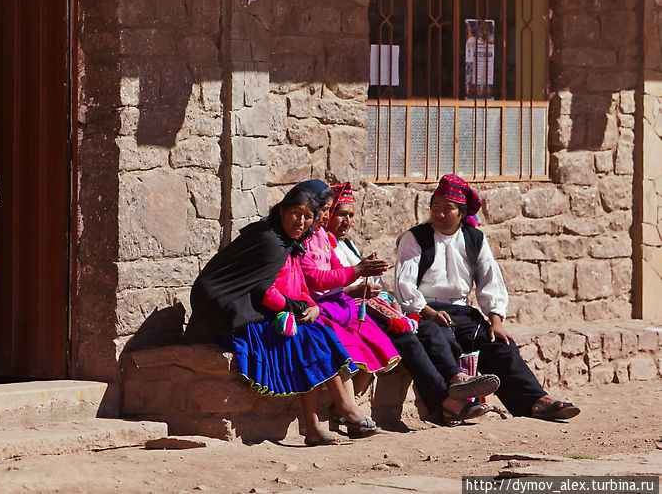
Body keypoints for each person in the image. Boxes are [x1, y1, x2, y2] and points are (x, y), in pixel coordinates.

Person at [189, 183, 376, 446]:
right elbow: (264, 292)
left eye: (308, 216)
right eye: (295, 214)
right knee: (307, 336)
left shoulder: (289, 242)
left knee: (315, 331)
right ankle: (339, 411)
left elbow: (300, 281)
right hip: (230, 311)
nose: (301, 221)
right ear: (281, 211)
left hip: (258, 306)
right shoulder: (270, 241)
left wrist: (312, 305)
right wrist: (299, 309)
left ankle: (319, 424)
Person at [303, 180, 498, 425]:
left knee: (433, 332)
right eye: (340, 215)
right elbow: (321, 282)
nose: (347, 221)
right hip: (349, 310)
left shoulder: (344, 244)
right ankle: (448, 401)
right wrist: (357, 287)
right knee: (408, 338)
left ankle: (457, 380)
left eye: (351, 215)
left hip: (374, 307)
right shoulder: (318, 244)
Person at [394, 174, 579, 421]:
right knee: (437, 337)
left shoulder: (475, 239)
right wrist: (428, 312)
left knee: (499, 344)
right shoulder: (415, 238)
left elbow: (490, 279)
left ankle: (536, 400)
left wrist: (496, 320)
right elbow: (404, 284)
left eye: (446, 209)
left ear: (461, 213)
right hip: (424, 311)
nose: (438, 214)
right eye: (434, 207)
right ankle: (457, 390)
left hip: (461, 310)